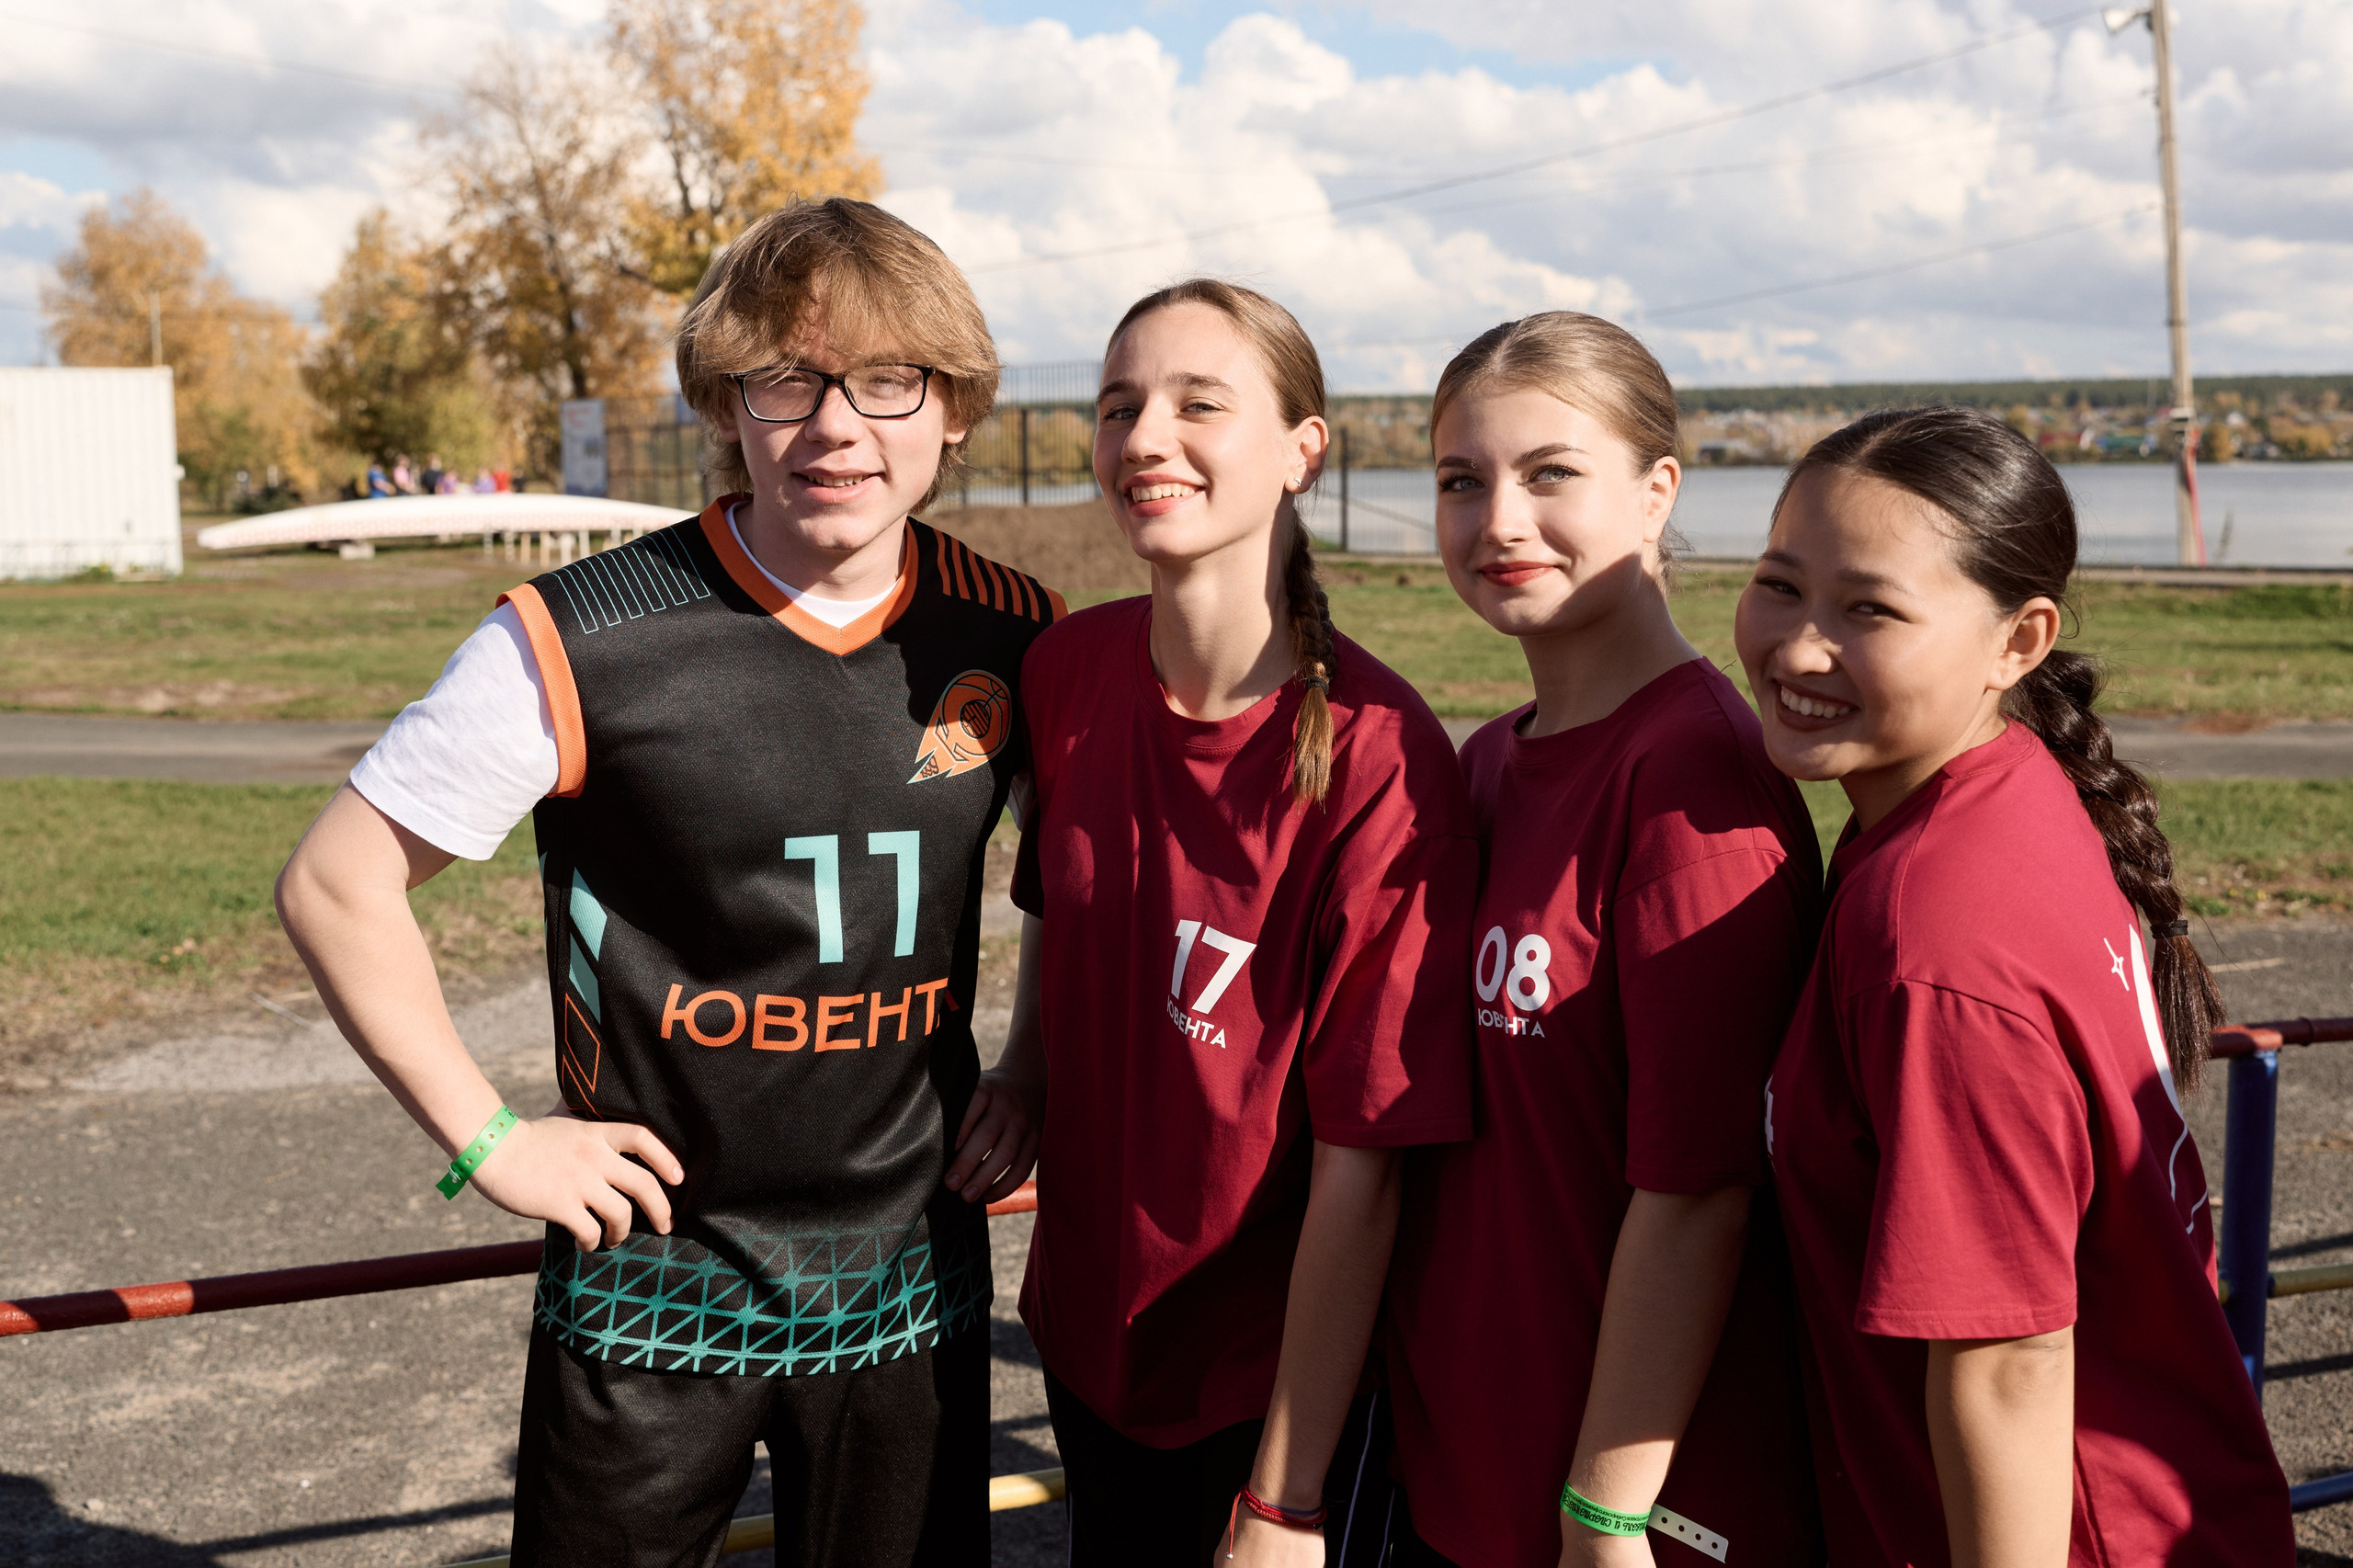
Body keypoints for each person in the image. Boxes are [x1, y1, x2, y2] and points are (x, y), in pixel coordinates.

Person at [274, 198, 1059, 1568]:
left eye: (888, 382)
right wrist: (490, 1139)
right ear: (725, 402)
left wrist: (1033, 1064)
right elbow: (339, 884)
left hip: (909, 1265)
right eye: (785, 380)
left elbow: (1072, 877)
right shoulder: (582, 635)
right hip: (654, 1270)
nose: (835, 427)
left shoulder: (1010, 628)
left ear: (955, 408)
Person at [956, 280, 1478, 1566]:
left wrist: (1289, 1496)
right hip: (1085, 1333)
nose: (1145, 438)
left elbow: (1365, 1165)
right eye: (1120, 405)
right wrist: (1023, 1065)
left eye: (1199, 404)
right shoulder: (1068, 672)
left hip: (1266, 1385)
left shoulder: (1380, 757)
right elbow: (1058, 903)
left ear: (1305, 448)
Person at [1739, 406, 2293, 1566]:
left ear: (2018, 640)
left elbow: (2008, 1360)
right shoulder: (1999, 791)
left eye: (1870, 609)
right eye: (1780, 585)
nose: (1796, 647)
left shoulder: (1935, 933)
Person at [1381, 313, 1824, 1568]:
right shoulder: (1482, 765)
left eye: (1551, 473)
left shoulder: (1695, 784)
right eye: (1463, 481)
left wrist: (1607, 1508)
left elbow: (1699, 1196)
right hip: (1459, 1465)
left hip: (1608, 1509)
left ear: (1656, 492)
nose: (1500, 519)